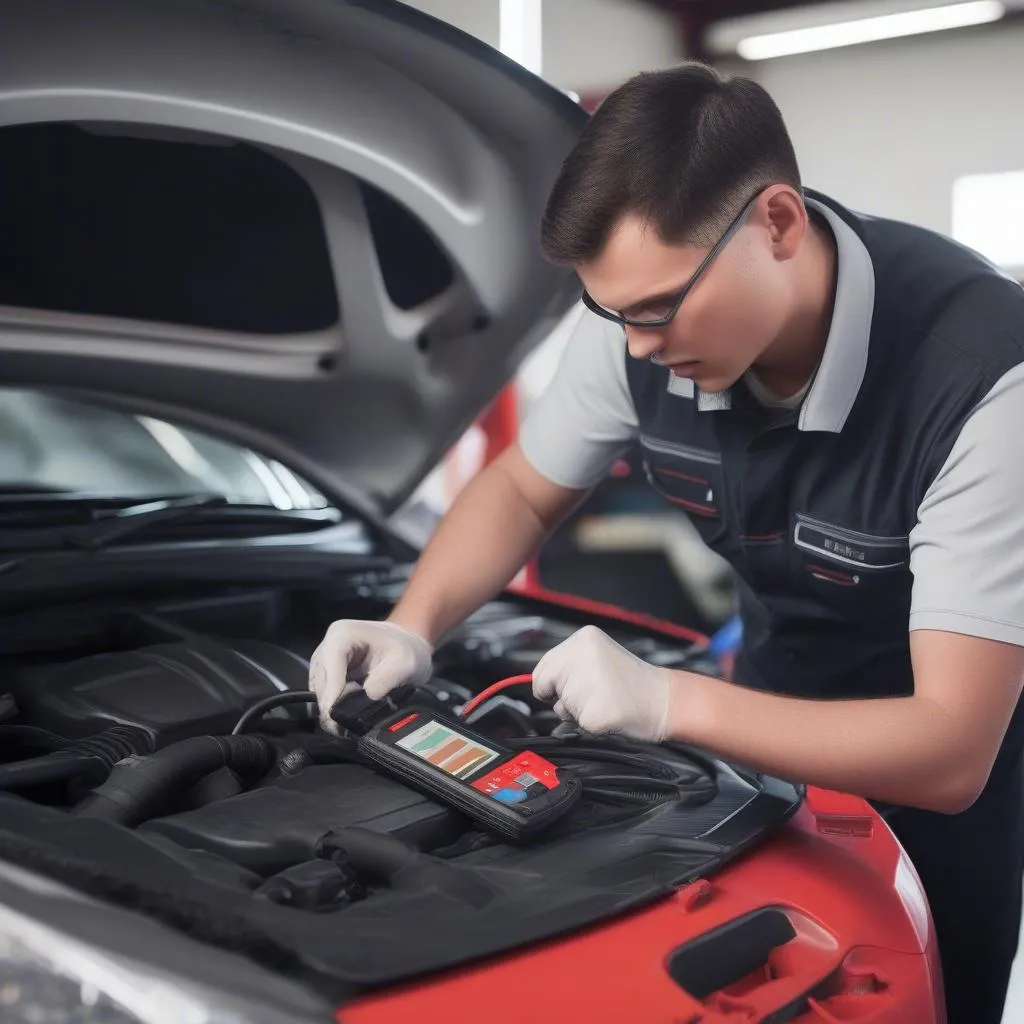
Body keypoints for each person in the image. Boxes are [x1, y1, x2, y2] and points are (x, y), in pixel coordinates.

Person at [308, 62, 1024, 1023]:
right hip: (759, 738)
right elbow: (522, 489)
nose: (637, 346)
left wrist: (667, 699)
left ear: (777, 223)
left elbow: (948, 749)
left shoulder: (983, 382)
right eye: (613, 313)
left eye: (657, 310)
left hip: (936, 795)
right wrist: (414, 626)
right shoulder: (640, 322)